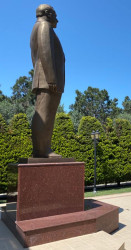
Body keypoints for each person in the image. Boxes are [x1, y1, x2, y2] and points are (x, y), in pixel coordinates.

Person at [30, 4, 65, 158]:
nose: (57, 18)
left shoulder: (37, 27)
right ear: (47, 13)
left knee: (44, 113)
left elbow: (34, 57)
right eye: (55, 14)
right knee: (46, 114)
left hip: (44, 78)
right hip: (48, 80)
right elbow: (45, 52)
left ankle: (41, 149)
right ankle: (43, 150)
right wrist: (51, 78)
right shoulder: (44, 26)